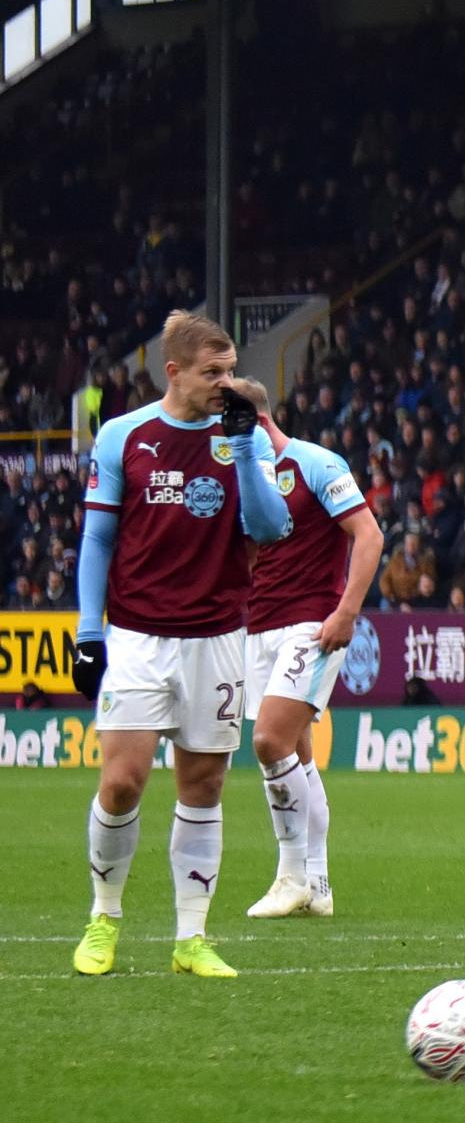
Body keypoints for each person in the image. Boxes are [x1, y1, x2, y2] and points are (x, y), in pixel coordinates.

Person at [70, 312, 292, 979]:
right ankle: (103, 917)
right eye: (212, 374)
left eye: (230, 371)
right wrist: (88, 630)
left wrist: (249, 448)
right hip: (139, 636)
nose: (226, 384)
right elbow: (98, 540)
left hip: (218, 637)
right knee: (122, 781)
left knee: (204, 786)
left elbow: (269, 525)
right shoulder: (123, 437)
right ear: (174, 372)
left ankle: (190, 939)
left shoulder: (245, 438)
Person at [226, 379, 383, 921]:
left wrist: (346, 611)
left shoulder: (316, 463)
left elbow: (369, 535)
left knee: (269, 741)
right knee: (299, 756)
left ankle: (290, 874)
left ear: (253, 418)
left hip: (310, 625)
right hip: (258, 629)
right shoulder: (245, 476)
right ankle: (318, 885)